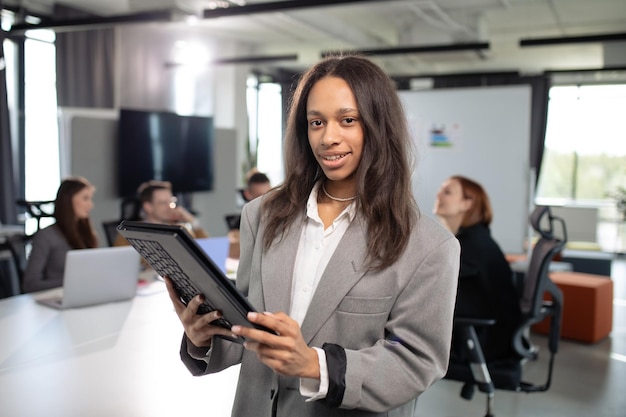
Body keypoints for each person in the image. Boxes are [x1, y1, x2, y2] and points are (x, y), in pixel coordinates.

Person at [165, 54, 461, 417]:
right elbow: (245, 324)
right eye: (316, 122)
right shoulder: (261, 215)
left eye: (347, 120)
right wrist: (203, 337)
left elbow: (417, 361)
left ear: (380, 126)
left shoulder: (430, 245)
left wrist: (313, 365)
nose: (328, 138)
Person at [434, 175, 523, 361]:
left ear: (467, 204)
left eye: (447, 192)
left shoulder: (472, 244)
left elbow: (434, 282)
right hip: (481, 334)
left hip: (484, 342)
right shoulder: (472, 238)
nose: (439, 195)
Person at [22, 176, 98, 293]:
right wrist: (72, 282)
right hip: (57, 296)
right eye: (85, 198)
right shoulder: (46, 236)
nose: (91, 205)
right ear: (68, 200)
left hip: (85, 293)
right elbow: (30, 284)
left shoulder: (86, 233)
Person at [114, 180, 208, 247]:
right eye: (163, 203)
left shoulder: (179, 230)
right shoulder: (128, 234)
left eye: (171, 202)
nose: (170, 207)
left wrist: (193, 222)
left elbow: (207, 251)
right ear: (148, 207)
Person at [226, 170, 272, 273]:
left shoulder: (278, 217)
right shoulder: (242, 219)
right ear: (247, 194)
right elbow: (232, 246)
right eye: (259, 196)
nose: (265, 200)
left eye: (268, 194)